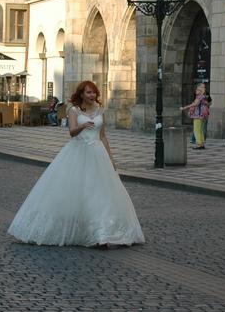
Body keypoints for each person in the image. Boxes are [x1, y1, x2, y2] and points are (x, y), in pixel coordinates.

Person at [8, 80, 144, 247]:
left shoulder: (101, 110)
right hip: (78, 152)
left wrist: (111, 158)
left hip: (97, 153)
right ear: (81, 94)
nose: (92, 95)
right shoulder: (74, 110)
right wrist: (83, 126)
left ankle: (102, 233)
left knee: (100, 193)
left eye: (94, 92)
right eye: (88, 92)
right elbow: (71, 132)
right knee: (77, 191)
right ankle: (80, 229)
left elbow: (102, 136)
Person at [180, 83, 211, 149]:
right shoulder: (205, 96)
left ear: (199, 89)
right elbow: (208, 104)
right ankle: (202, 144)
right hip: (203, 115)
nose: (196, 91)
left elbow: (195, 104)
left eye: (197, 89)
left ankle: (199, 144)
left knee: (196, 130)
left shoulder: (199, 97)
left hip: (198, 115)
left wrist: (184, 108)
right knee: (200, 130)